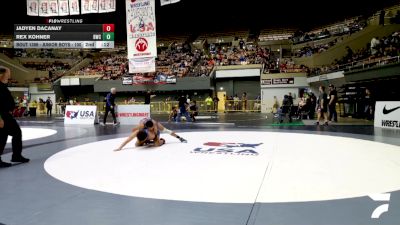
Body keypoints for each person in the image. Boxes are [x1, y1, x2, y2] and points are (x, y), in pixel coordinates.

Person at [0, 66, 29, 167]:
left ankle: (16, 156)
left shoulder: (2, 85)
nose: (8, 75)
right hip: (2, 115)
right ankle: (16, 156)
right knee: (12, 134)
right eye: (7, 73)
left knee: (7, 135)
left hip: (5, 114)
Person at [114, 118, 187, 151]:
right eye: (150, 129)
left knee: (157, 144)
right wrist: (120, 147)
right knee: (137, 145)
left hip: (153, 135)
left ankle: (161, 141)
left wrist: (179, 137)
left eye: (153, 128)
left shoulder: (156, 125)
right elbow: (129, 138)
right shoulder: (141, 126)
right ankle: (147, 141)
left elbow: (168, 131)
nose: (152, 129)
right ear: (147, 127)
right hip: (144, 131)